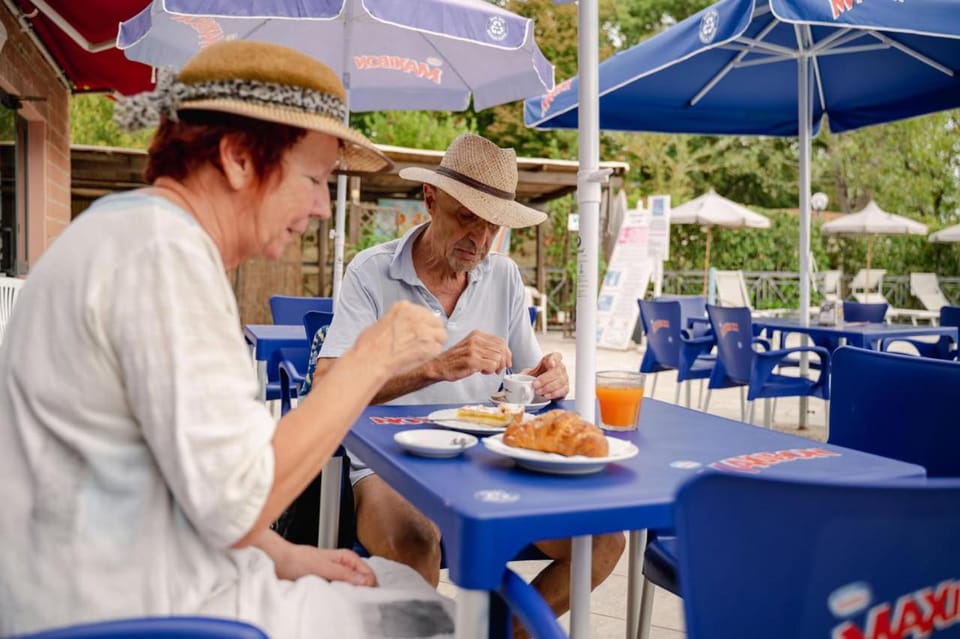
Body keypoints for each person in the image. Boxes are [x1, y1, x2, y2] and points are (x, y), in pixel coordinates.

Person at [0, 41, 455, 639]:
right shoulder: (162, 256)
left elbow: (190, 475)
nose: (322, 206)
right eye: (315, 178)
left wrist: (285, 554)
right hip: (133, 611)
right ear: (239, 157)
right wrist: (372, 357)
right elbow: (241, 497)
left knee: (400, 586)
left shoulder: (131, 231)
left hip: (106, 583)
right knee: (439, 615)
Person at [313, 133, 626, 630]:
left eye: (492, 226)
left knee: (605, 540)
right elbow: (326, 386)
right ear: (430, 199)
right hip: (390, 464)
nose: (479, 239)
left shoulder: (502, 276)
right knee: (417, 544)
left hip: (490, 462)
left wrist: (549, 378)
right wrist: (435, 366)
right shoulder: (371, 272)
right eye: (466, 218)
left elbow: (525, 375)